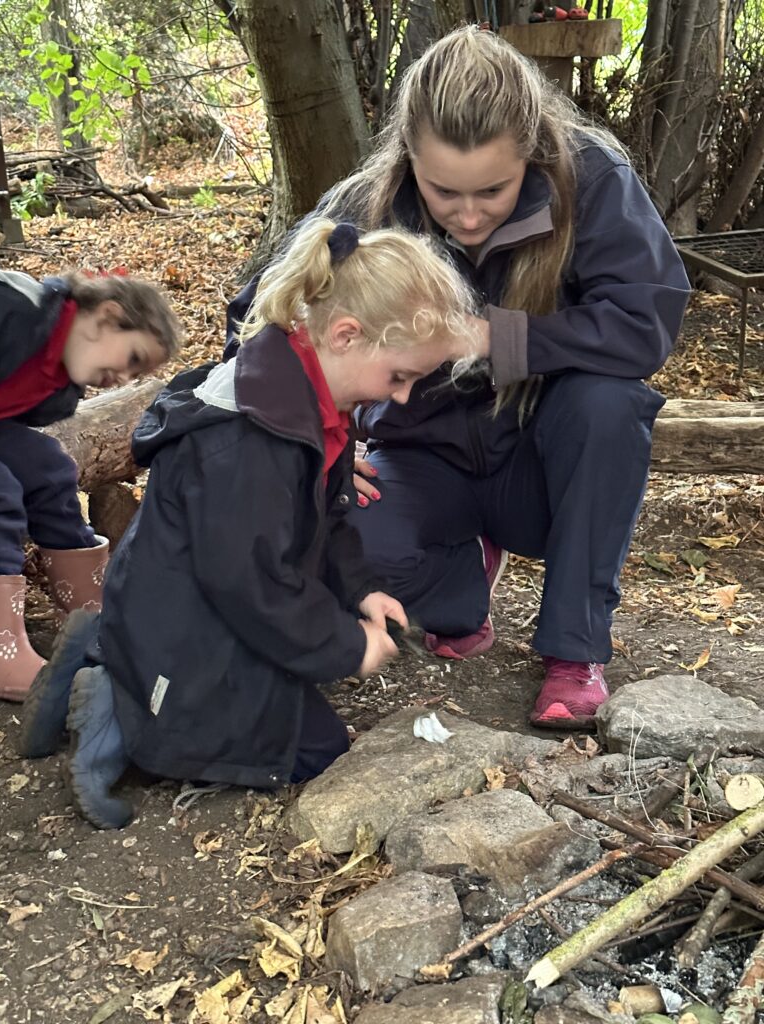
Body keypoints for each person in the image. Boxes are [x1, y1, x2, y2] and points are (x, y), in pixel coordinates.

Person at [228, 26, 692, 731]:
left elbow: (646, 322)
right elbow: (258, 314)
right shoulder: (366, 204)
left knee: (609, 403)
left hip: (543, 465)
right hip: (416, 456)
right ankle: (461, 580)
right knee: (349, 566)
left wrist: (489, 337)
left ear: (531, 153)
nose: (469, 216)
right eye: (443, 190)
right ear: (409, 156)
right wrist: (313, 432)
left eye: (494, 191)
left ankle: (573, 652)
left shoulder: (593, 177)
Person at [20, 219, 480, 829]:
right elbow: (250, 582)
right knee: (310, 753)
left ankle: (102, 654)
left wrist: (361, 588)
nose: (400, 397)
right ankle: (117, 711)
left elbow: (331, 520)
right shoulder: (248, 439)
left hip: (189, 612)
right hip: (188, 627)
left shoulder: (306, 398)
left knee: (297, 726)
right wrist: (344, 644)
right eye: (400, 376)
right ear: (345, 335)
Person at [0, 268, 180, 703]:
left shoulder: (58, 382)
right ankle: (0, 649)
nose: (124, 379)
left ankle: (87, 616)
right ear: (106, 318)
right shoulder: (14, 311)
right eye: (133, 359)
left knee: (48, 469)